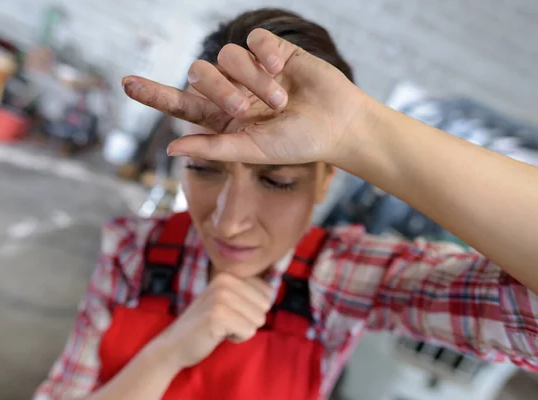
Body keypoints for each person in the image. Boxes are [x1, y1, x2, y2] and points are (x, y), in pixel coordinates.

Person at [35, 8, 538, 400]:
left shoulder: (341, 277)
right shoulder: (133, 252)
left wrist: (365, 137)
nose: (229, 222)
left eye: (277, 181)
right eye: (203, 168)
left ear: (325, 181)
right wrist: (165, 355)